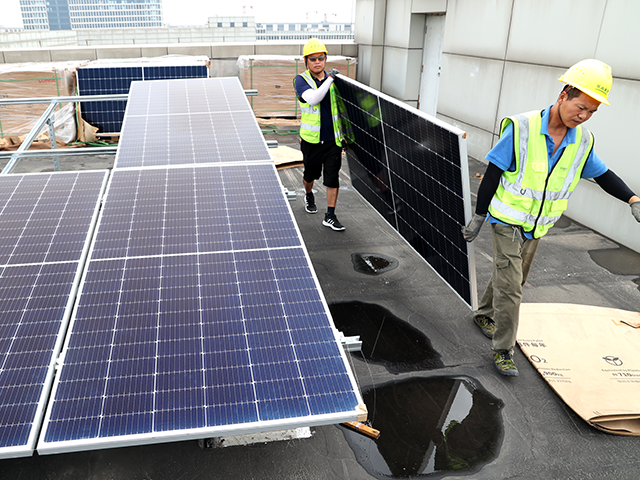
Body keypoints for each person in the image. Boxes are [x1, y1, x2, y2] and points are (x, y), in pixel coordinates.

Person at [462, 59, 640, 377]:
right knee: (513, 287)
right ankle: (503, 349)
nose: (583, 116)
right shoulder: (521, 128)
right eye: (581, 107)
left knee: (514, 278)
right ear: (563, 95)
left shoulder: (581, 141)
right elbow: (492, 174)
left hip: (537, 226)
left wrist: (632, 198)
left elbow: (603, 175)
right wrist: (479, 216)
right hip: (506, 220)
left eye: (591, 112)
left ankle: (484, 314)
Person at [294, 37, 346, 231]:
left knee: (333, 178)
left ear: (325, 59)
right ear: (306, 61)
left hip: (333, 140)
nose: (317, 62)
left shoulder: (335, 80)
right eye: (313, 58)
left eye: (321, 58)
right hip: (312, 141)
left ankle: (330, 215)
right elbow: (314, 99)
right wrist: (330, 79)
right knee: (310, 175)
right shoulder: (301, 80)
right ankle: (309, 194)